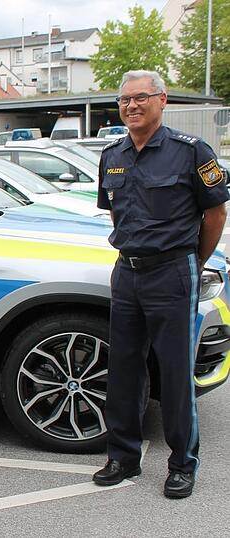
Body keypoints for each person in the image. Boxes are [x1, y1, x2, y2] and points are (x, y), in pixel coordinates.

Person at [93, 70, 228, 499]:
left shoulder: (190, 151)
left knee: (173, 374)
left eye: (140, 98)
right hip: (127, 273)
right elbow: (117, 214)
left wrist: (190, 261)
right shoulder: (112, 154)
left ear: (162, 100)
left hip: (173, 272)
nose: (131, 106)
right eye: (124, 100)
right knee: (124, 371)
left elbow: (216, 214)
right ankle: (122, 456)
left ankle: (182, 464)